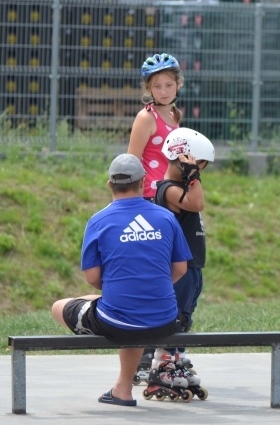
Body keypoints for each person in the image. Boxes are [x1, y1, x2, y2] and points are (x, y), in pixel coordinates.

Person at [51, 154, 192, 406]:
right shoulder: (166, 218)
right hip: (165, 319)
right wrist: (147, 284)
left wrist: (125, 285)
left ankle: (123, 389)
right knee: (128, 311)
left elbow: (93, 278)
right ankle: (121, 389)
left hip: (118, 321)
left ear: (109, 184)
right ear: (143, 181)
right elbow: (180, 268)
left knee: (59, 307)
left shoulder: (98, 221)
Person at [134, 128, 214, 397]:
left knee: (185, 316)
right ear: (183, 162)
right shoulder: (167, 189)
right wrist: (192, 177)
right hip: (181, 266)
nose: (199, 172)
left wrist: (190, 176)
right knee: (176, 315)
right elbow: (198, 203)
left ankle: (175, 357)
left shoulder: (179, 187)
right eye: (197, 165)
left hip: (193, 266)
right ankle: (163, 361)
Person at [128, 53, 183, 201]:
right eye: (157, 86)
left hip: (170, 192)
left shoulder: (173, 116)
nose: (163, 92)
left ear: (179, 84)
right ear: (149, 89)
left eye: (169, 85)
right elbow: (131, 162)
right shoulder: (146, 118)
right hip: (151, 197)